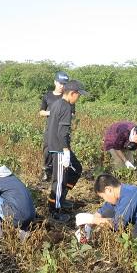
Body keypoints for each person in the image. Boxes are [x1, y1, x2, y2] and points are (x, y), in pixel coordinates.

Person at [75, 173, 137, 241]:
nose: (104, 200)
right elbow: (103, 211)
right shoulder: (121, 191)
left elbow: (117, 225)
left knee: (133, 235)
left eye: (103, 197)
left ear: (108, 190)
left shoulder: (128, 196)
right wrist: (88, 226)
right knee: (109, 212)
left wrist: (93, 219)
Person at [46, 80, 86, 222]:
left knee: (76, 169)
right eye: (78, 95)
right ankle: (54, 211)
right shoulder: (66, 107)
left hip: (58, 146)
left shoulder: (57, 103)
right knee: (60, 180)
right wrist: (65, 151)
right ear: (72, 93)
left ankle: (61, 198)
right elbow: (63, 132)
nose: (78, 98)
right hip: (59, 148)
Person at [39, 71, 74, 182]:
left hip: (62, 127)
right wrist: (52, 113)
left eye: (64, 84)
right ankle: (46, 170)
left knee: (61, 149)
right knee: (47, 150)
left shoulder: (68, 97)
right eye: (60, 83)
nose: (61, 86)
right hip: (50, 127)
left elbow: (72, 113)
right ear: (55, 82)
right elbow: (41, 112)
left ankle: (58, 172)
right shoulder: (47, 96)